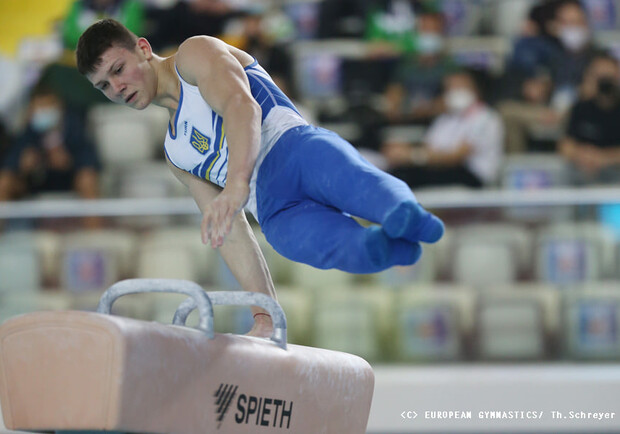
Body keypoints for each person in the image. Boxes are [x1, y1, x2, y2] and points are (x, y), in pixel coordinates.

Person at [75, 19, 444, 336]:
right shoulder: (176, 153)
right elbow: (229, 231)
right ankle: (384, 248)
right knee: (334, 248)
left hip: (295, 151)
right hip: (276, 213)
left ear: (143, 49)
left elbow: (242, 106)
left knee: (358, 185)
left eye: (118, 70)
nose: (116, 88)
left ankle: (405, 214)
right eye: (103, 86)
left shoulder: (194, 55)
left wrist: (237, 182)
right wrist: (263, 314)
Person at [383, 70, 504, 188]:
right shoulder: (445, 118)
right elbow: (428, 148)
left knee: (406, 177)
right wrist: (403, 152)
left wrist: (412, 156)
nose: (453, 91)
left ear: (475, 89)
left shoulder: (485, 117)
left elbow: (457, 157)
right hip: (445, 169)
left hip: (472, 174)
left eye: (459, 87)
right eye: (450, 88)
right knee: (397, 173)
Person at [0, 85, 101, 211]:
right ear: (30, 111)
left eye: (48, 106)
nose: (44, 111)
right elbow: (10, 164)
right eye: (40, 107)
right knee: (5, 181)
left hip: (69, 181)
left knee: (87, 179)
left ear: (60, 106)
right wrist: (23, 167)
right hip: (35, 184)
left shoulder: (75, 128)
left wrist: (69, 162)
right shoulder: (27, 134)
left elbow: (89, 162)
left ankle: (93, 223)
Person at [559, 53, 620, 184]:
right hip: (582, 172)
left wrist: (603, 158)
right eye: (599, 76)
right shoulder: (581, 107)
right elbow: (565, 145)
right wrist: (582, 155)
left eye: (608, 77)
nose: (604, 83)